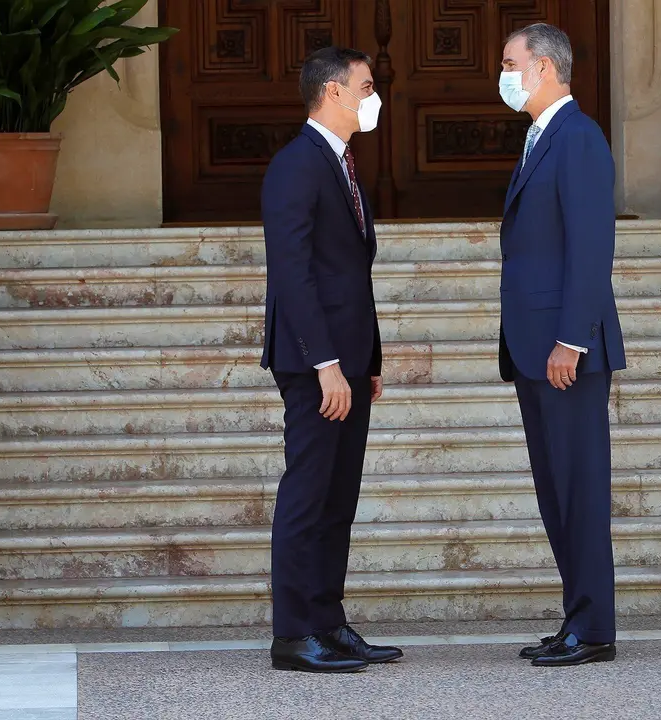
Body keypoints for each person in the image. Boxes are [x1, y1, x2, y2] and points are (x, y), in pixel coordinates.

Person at [260, 45, 402, 673]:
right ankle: (293, 633)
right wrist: (323, 363)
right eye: (367, 86)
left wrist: (363, 360)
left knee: (338, 498)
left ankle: (327, 619)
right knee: (308, 494)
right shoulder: (298, 164)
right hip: (315, 365)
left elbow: (349, 273)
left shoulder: (339, 162)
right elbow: (293, 273)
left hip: (346, 364)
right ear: (334, 92)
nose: (375, 97)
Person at [497, 23, 626, 667]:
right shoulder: (540, 138)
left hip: (564, 351)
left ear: (544, 67)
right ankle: (578, 620)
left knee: (579, 488)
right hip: (534, 348)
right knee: (556, 490)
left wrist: (571, 339)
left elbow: (591, 248)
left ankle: (594, 629)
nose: (504, 73)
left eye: (509, 62)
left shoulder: (577, 137)